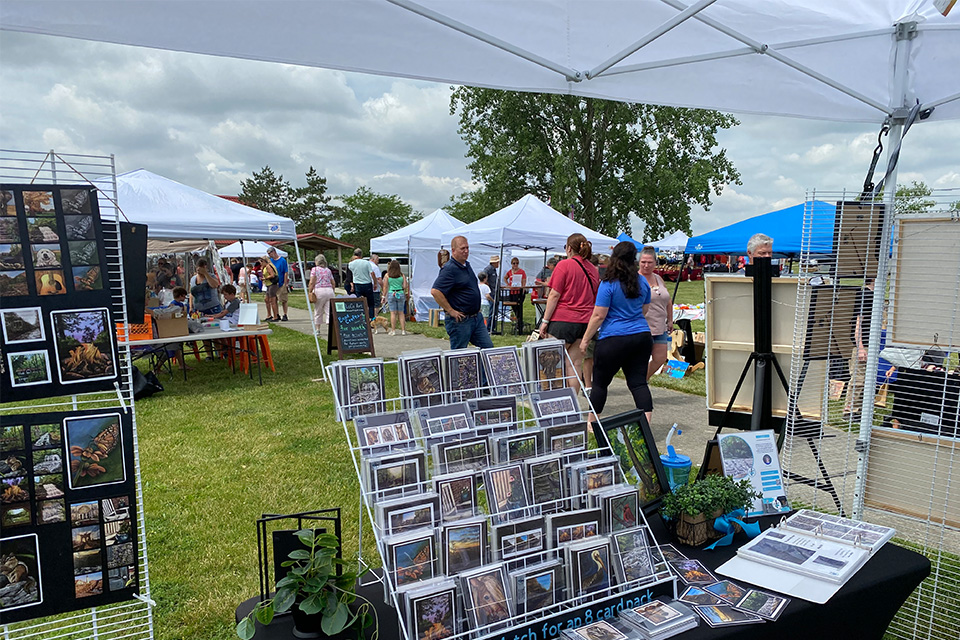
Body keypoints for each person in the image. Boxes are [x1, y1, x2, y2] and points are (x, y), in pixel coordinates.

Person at [580, 241, 653, 421]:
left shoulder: (609, 283)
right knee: (638, 383)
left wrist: (585, 339)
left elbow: (599, 315)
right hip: (641, 336)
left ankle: (593, 423)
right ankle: (646, 425)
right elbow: (645, 309)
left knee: (600, 384)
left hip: (613, 337)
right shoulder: (642, 281)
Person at [538, 233, 599, 396]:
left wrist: (544, 321)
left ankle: (553, 402)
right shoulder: (593, 269)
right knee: (575, 364)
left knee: (551, 364)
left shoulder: (564, 265)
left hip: (562, 321)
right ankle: (573, 405)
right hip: (585, 322)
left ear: (569, 248)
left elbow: (554, 294)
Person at [431, 235, 494, 350]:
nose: (466, 251)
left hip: (476, 317)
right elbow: (436, 291)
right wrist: (451, 311)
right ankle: (455, 369)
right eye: (462, 248)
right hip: (461, 320)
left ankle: (481, 369)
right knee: (459, 354)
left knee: (488, 349)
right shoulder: (449, 269)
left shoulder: (466, 265)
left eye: (467, 248)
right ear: (453, 250)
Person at [639, 246, 673, 380]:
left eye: (649, 262)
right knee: (640, 359)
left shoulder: (658, 278)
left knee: (660, 358)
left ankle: (642, 380)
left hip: (660, 326)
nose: (646, 265)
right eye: (643, 262)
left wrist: (670, 320)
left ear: (655, 263)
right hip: (643, 326)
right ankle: (639, 384)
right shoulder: (636, 279)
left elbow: (668, 301)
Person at [844, 278, 876, 418]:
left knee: (868, 379)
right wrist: (860, 347)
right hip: (864, 344)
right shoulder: (865, 296)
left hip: (873, 344)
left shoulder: (876, 296)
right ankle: (849, 409)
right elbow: (859, 322)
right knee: (858, 378)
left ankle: (861, 409)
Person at [308, 254, 337, 328]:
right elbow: (333, 282)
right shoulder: (328, 270)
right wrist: (332, 290)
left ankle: (317, 329)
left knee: (318, 310)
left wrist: (310, 291)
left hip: (319, 290)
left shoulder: (314, 270)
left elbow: (312, 282)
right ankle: (330, 328)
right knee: (329, 311)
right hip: (329, 291)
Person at [381, 259, 408, 336]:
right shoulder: (401, 275)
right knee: (401, 313)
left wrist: (383, 296)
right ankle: (403, 330)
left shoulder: (387, 275)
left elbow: (385, 287)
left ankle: (393, 330)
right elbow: (405, 286)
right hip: (400, 293)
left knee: (393, 313)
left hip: (391, 293)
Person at [348, 248, 378, 320]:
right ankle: (371, 319)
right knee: (370, 303)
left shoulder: (351, 264)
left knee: (360, 302)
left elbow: (351, 272)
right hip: (367, 283)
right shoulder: (366, 263)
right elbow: (372, 273)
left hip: (357, 284)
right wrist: (375, 283)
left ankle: (361, 318)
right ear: (361, 255)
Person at [503, 257, 528, 330]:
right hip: (512, 291)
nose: (515, 265)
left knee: (519, 308)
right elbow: (505, 277)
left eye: (517, 263)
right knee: (513, 307)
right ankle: (518, 322)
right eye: (514, 263)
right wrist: (508, 284)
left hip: (519, 292)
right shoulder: (510, 272)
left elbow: (524, 281)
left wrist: (523, 289)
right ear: (511, 264)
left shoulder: (522, 272)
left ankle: (520, 324)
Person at [268, 247, 290, 321]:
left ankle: (285, 314)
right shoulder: (271, 261)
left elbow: (285, 272)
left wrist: (285, 282)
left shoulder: (282, 260)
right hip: (274, 283)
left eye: (269, 253)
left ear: (274, 252)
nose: (269, 255)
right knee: (274, 299)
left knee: (283, 299)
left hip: (281, 282)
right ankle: (276, 314)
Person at [482, 255, 500, 332]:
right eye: (497, 262)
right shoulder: (488, 269)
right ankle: (489, 328)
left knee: (494, 311)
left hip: (495, 292)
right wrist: (486, 284)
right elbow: (482, 277)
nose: (498, 264)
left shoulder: (494, 270)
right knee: (491, 311)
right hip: (491, 292)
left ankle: (492, 327)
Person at [261, 256, 280, 321]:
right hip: (268, 285)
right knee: (267, 299)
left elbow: (272, 275)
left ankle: (275, 316)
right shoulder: (265, 267)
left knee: (273, 300)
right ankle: (269, 315)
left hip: (272, 284)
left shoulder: (268, 266)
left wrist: (265, 278)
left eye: (261, 262)